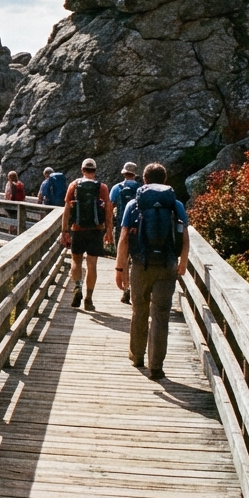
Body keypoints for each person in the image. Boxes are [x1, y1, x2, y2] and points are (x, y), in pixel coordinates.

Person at [114, 162, 190, 381]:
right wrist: (182, 262)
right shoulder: (175, 204)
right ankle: (156, 366)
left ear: (144, 180)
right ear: (165, 181)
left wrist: (120, 268)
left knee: (139, 310)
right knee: (161, 315)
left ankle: (137, 356)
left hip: (140, 265)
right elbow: (184, 236)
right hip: (167, 265)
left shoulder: (134, 204)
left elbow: (124, 238)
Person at [60, 158, 113, 312]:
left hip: (77, 228)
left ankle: (77, 286)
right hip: (96, 229)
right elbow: (108, 209)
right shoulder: (102, 187)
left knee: (76, 260)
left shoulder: (74, 185)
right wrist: (109, 230)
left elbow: (67, 209)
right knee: (92, 264)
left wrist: (64, 231)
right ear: (95, 171)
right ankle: (89, 298)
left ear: (82, 170)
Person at [109, 162, 142, 304]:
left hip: (122, 228)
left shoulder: (117, 188)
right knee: (136, 259)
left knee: (123, 258)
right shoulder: (141, 189)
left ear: (123, 173)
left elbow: (110, 208)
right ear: (135, 174)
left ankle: (126, 289)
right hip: (138, 228)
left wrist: (109, 228)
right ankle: (137, 289)